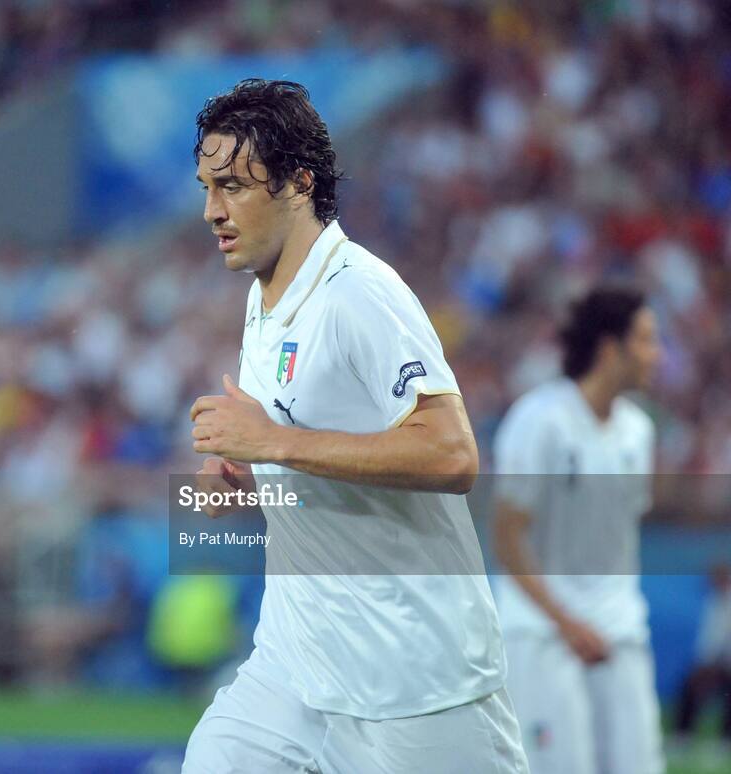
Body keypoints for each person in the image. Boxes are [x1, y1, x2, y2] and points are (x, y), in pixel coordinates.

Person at [183, 78, 528, 774]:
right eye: (205, 187)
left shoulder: (358, 294)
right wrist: (244, 482)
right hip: (297, 664)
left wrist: (273, 443)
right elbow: (310, 467)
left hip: (411, 677)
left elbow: (453, 454)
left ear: (297, 183)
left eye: (233, 186)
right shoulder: (264, 297)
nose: (211, 210)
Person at [492, 286, 664, 774]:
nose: (659, 354)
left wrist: (603, 617)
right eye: (648, 340)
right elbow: (507, 535)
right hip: (545, 635)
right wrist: (567, 622)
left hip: (619, 632)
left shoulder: (639, 432)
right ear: (611, 349)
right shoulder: (539, 421)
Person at [675, 563, 731, 743]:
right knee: (690, 684)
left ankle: (726, 738)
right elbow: (710, 638)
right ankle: (683, 734)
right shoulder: (715, 600)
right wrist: (704, 663)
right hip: (716, 663)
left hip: (723, 662)